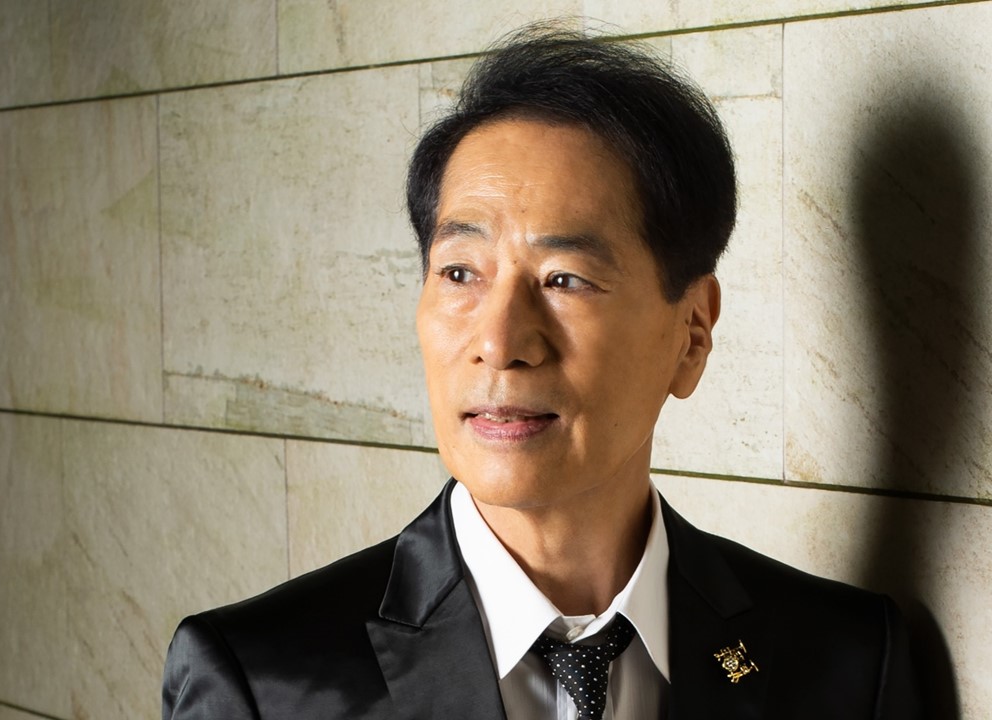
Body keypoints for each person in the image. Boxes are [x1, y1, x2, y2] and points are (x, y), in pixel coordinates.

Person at [162, 25, 919, 720]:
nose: (500, 342)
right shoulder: (262, 682)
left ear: (692, 333)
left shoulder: (848, 661)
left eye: (565, 279)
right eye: (460, 272)